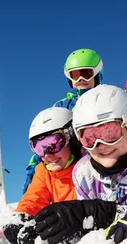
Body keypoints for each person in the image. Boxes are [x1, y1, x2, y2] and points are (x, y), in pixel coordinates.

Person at [33, 84, 127, 244]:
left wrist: (108, 213)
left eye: (109, 132)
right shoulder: (83, 173)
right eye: (89, 137)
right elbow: (93, 240)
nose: (100, 145)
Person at [22, 48, 104, 193]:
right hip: (70, 163)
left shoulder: (107, 99)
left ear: (97, 74)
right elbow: (46, 137)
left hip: (100, 159)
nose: (80, 80)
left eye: (86, 74)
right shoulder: (62, 107)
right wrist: (32, 172)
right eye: (75, 76)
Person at [3, 107, 82, 244]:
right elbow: (35, 197)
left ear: (73, 138)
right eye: (39, 148)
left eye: (54, 144)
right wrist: (23, 217)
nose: (47, 155)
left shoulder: (88, 167)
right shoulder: (43, 171)